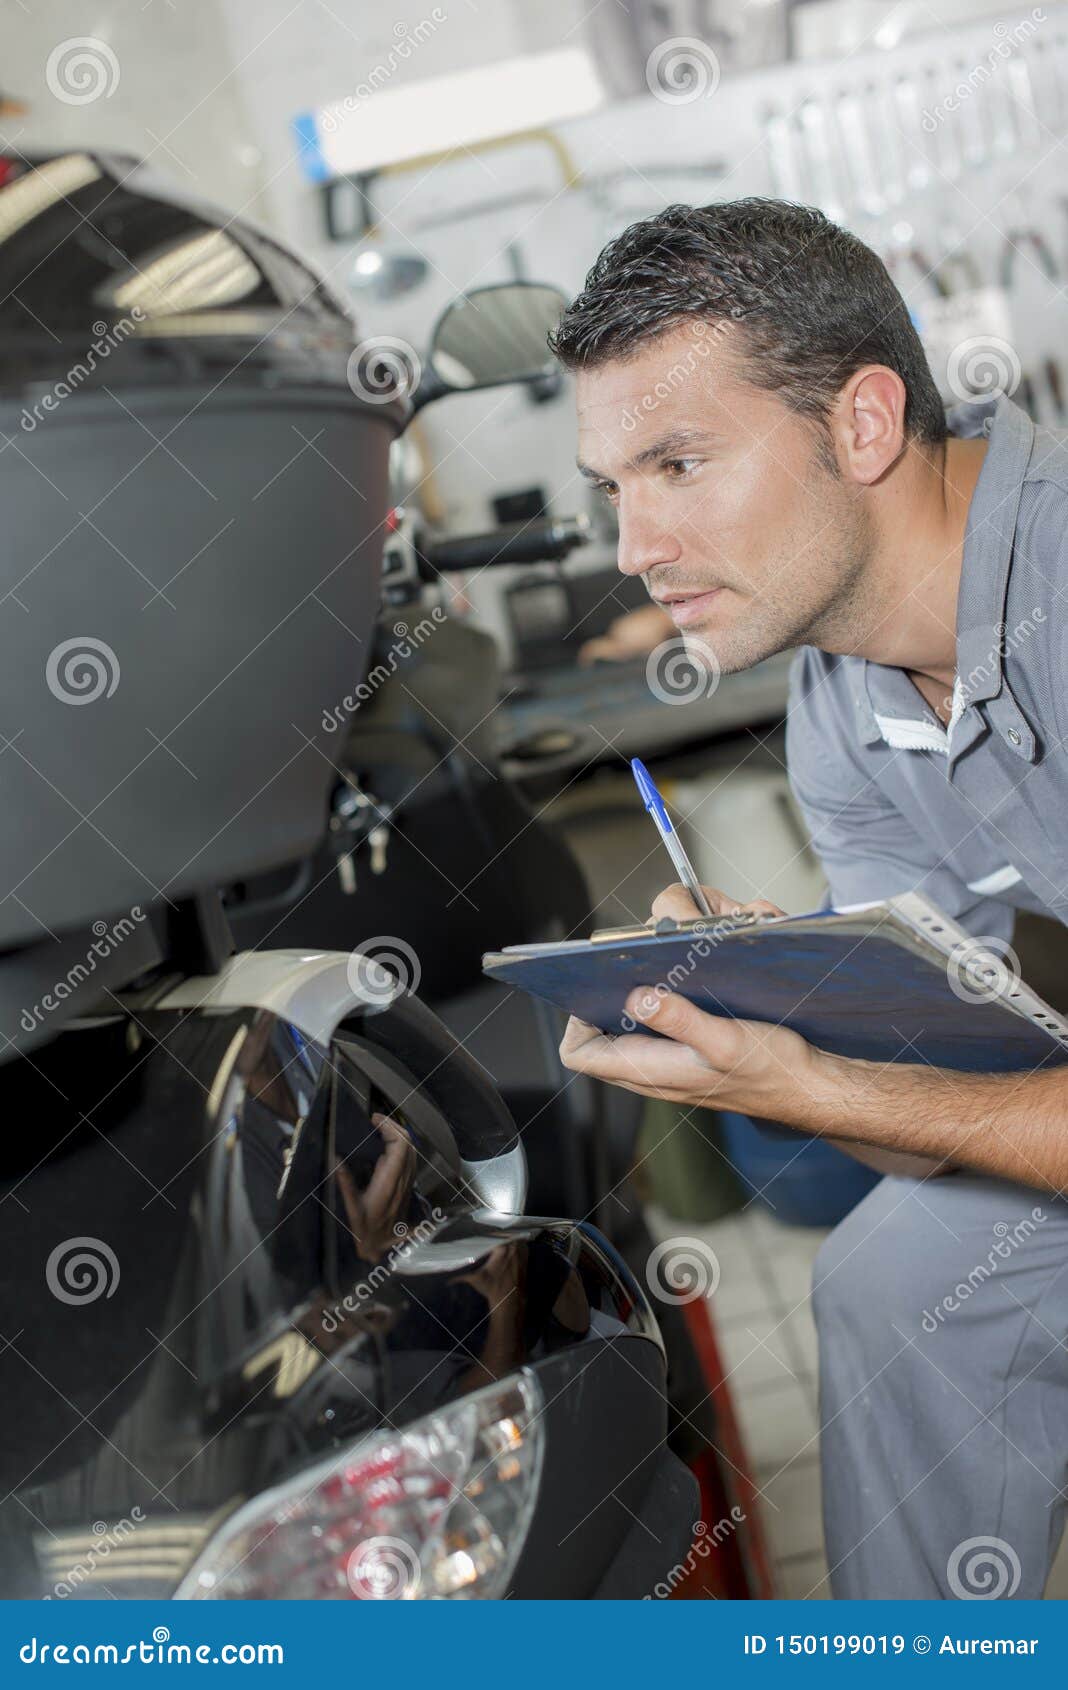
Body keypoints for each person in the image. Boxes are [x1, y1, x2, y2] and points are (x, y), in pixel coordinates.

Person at [550, 199, 1068, 1600]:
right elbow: (938, 1112)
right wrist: (776, 1017)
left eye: (679, 462)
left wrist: (826, 1091)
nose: (634, 546)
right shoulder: (844, 714)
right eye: (615, 484)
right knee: (896, 1272)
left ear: (863, 424)